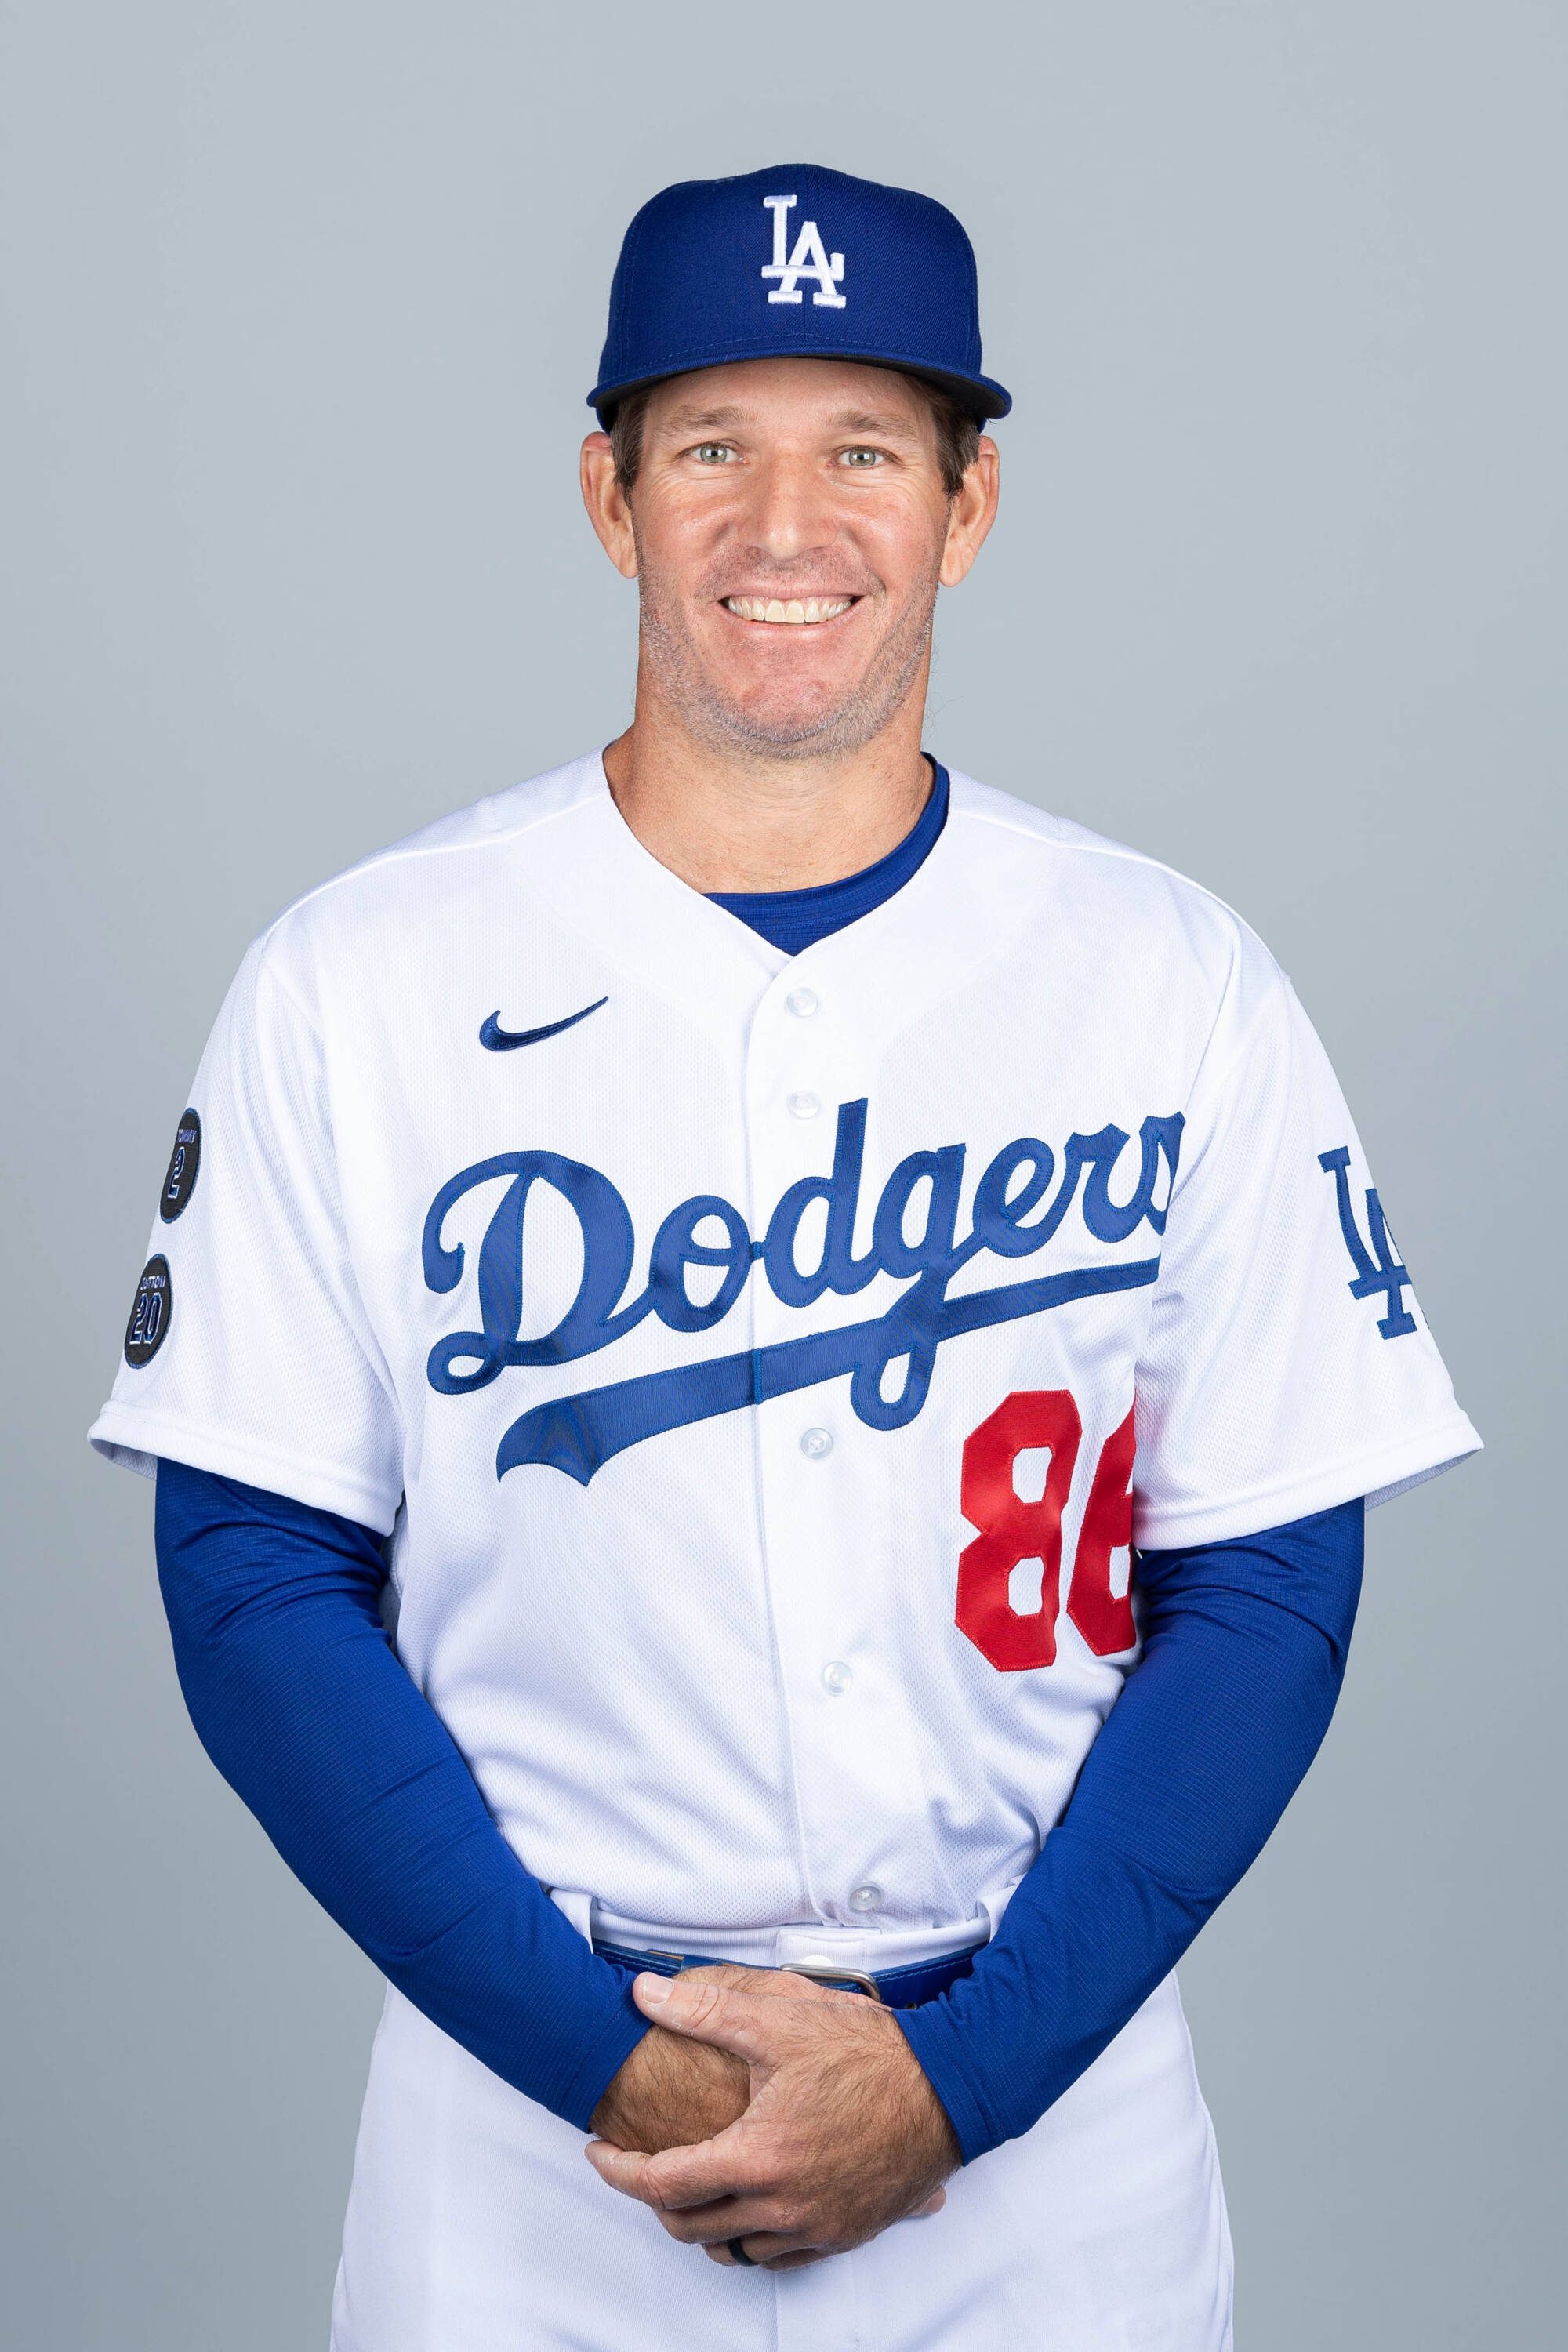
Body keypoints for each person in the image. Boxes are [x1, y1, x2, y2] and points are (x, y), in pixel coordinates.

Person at [91, 163, 1480, 2350]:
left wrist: (966, 2078)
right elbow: (251, 1578)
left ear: (970, 501)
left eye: (863, 450)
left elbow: (1275, 1577)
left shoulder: (1170, 978)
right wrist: (608, 2064)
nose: (786, 525)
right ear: (606, 492)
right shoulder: (355, 979)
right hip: (526, 2113)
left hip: (1049, 2121)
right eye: (713, 446)